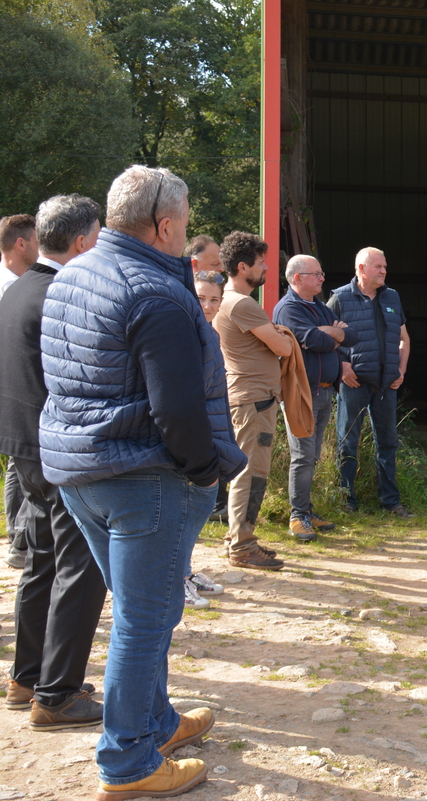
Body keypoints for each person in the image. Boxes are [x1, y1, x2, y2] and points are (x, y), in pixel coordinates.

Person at [41, 165, 247, 798]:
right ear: (164, 225)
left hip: (81, 473)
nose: (187, 238)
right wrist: (205, 473)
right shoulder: (155, 293)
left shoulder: (73, 273)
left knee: (141, 611)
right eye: (184, 228)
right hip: (144, 478)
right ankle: (127, 761)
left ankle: (154, 722)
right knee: (145, 620)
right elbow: (178, 409)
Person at [0, 194, 107, 731]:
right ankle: (58, 694)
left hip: (22, 446)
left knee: (42, 562)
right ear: (85, 240)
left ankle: (27, 676)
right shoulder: (62, 294)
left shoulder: (20, 287)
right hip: (58, 450)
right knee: (80, 567)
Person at [214, 231, 292, 570]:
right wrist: (282, 335)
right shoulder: (242, 304)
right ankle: (243, 545)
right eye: (261, 264)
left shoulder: (227, 301)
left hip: (249, 399)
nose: (267, 269)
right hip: (254, 401)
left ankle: (237, 538)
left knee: (247, 471)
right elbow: (283, 348)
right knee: (252, 472)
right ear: (242, 267)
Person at [273, 254, 357, 539]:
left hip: (324, 390)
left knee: (313, 455)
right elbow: (316, 341)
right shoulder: (287, 309)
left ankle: (306, 511)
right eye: (316, 274)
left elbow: (352, 335)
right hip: (301, 391)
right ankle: (297, 517)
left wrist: (329, 334)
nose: (322, 278)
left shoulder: (319, 307)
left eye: (321, 274)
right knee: (303, 456)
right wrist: (334, 335)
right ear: (297, 278)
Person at [329, 247, 413, 517]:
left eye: (385, 266)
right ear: (361, 269)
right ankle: (346, 502)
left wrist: (401, 369)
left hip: (386, 385)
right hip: (354, 384)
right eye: (378, 266)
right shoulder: (339, 298)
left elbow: (404, 339)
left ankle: (391, 502)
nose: (384, 271)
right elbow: (324, 340)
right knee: (347, 442)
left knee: (388, 443)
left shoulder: (392, 297)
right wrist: (342, 367)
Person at [182, 271, 229, 608]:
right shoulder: (183, 330)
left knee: (196, 508)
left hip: (208, 430)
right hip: (186, 434)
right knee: (182, 510)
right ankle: (176, 580)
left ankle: (185, 570)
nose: (208, 305)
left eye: (215, 299)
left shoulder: (209, 330)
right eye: (201, 298)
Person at [1, 213, 38, 570]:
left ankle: (19, 539)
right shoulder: (7, 287)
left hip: (14, 386)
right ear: (21, 243)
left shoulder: (19, 283)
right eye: (37, 240)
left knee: (17, 462)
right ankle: (20, 538)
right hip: (12, 386)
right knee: (21, 459)